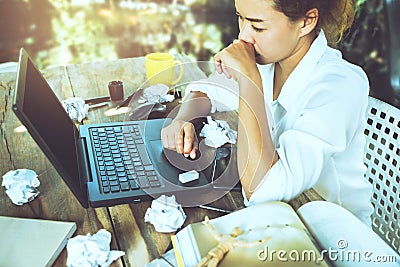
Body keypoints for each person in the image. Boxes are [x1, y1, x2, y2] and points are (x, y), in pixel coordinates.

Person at [161, 0, 373, 225]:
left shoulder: (339, 86)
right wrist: (182, 120)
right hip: (283, 221)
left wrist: (248, 80)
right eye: (241, 18)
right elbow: (210, 90)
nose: (243, 36)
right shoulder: (271, 58)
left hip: (334, 239)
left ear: (306, 22)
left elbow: (262, 191)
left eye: (258, 26)